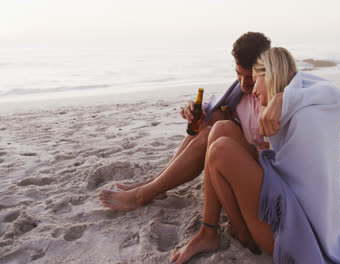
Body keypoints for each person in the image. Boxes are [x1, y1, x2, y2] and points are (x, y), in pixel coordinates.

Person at [170, 47, 340, 264]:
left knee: (220, 149)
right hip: (286, 204)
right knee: (221, 128)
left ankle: (231, 234)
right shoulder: (297, 103)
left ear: (267, 75)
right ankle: (210, 232)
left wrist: (283, 98)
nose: (250, 91)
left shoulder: (303, 114)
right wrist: (283, 99)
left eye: (254, 78)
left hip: (293, 233)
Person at [98, 32, 275, 211]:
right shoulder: (239, 92)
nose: (243, 84)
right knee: (210, 119)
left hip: (263, 169)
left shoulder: (275, 93)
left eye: (250, 77)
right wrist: (192, 110)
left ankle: (142, 195)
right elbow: (216, 105)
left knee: (209, 134)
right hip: (247, 155)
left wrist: (282, 98)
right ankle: (155, 183)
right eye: (238, 74)